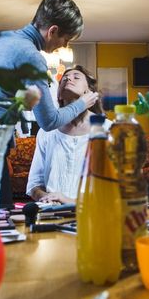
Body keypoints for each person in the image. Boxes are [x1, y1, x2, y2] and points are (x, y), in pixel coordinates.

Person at [0, 0, 99, 208]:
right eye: (65, 39)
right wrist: (82, 103)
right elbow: (48, 122)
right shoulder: (31, 56)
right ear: (52, 31)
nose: (64, 45)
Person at [26, 66, 110, 204]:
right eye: (64, 79)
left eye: (76, 77)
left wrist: (68, 200)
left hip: (93, 213)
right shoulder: (47, 132)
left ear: (89, 91)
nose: (68, 78)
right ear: (59, 94)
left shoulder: (108, 129)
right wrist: (45, 198)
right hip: (52, 213)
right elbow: (34, 184)